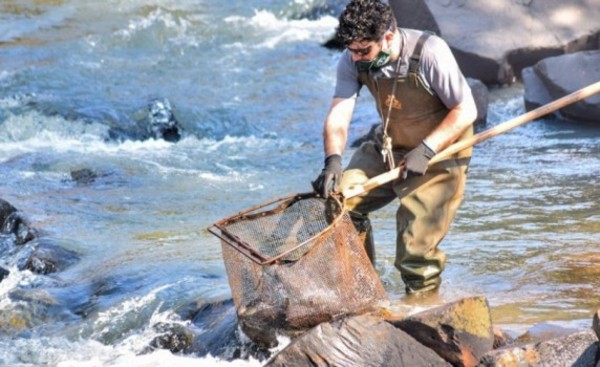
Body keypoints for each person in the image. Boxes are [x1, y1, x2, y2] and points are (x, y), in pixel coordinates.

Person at [312, 0, 477, 295]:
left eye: (364, 50)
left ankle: (423, 308)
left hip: (441, 150)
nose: (358, 57)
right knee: (340, 204)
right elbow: (339, 113)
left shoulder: (429, 51)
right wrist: (333, 160)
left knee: (415, 250)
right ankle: (365, 290)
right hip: (391, 144)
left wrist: (427, 149)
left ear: (388, 36)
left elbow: (465, 110)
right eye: (352, 50)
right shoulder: (353, 59)